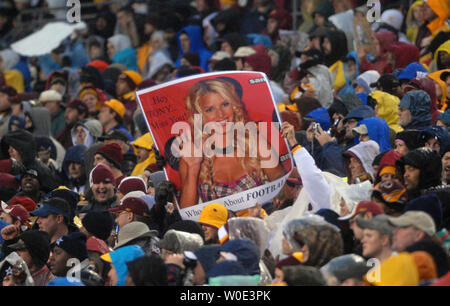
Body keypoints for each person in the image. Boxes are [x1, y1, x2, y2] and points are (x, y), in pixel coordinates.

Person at [178, 77, 286, 208]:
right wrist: (193, 167)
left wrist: (280, 194)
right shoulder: (191, 154)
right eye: (210, 109)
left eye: (225, 104)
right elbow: (187, 213)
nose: (220, 114)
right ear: (200, 115)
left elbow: (281, 184)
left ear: (234, 106)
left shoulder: (255, 142)